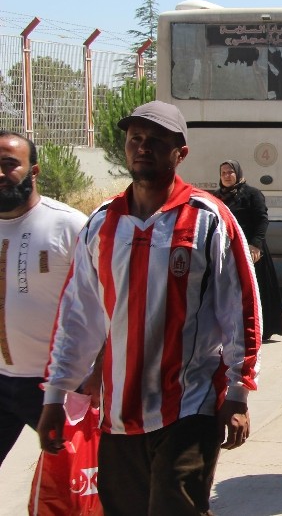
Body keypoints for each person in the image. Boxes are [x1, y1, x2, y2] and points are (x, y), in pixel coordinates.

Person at [38, 101, 261, 516]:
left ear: (181, 153)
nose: (143, 147)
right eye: (135, 139)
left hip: (189, 405)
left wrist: (238, 392)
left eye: (156, 140)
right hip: (118, 415)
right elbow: (78, 318)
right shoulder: (102, 224)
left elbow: (241, 308)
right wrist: (57, 394)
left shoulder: (209, 219)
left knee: (176, 507)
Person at [0, 131, 87, 467]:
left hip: (57, 387)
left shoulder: (68, 225)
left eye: (10, 165)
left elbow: (104, 303)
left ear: (33, 171)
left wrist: (96, 375)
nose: (1, 174)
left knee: (82, 481)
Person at [213, 159, 282, 341]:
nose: (227, 176)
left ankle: (260, 329)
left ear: (238, 173)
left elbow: (262, 220)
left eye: (230, 172)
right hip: (227, 250)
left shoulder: (252, 194)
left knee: (255, 289)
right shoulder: (216, 197)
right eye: (223, 173)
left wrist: (256, 245)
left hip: (251, 250)